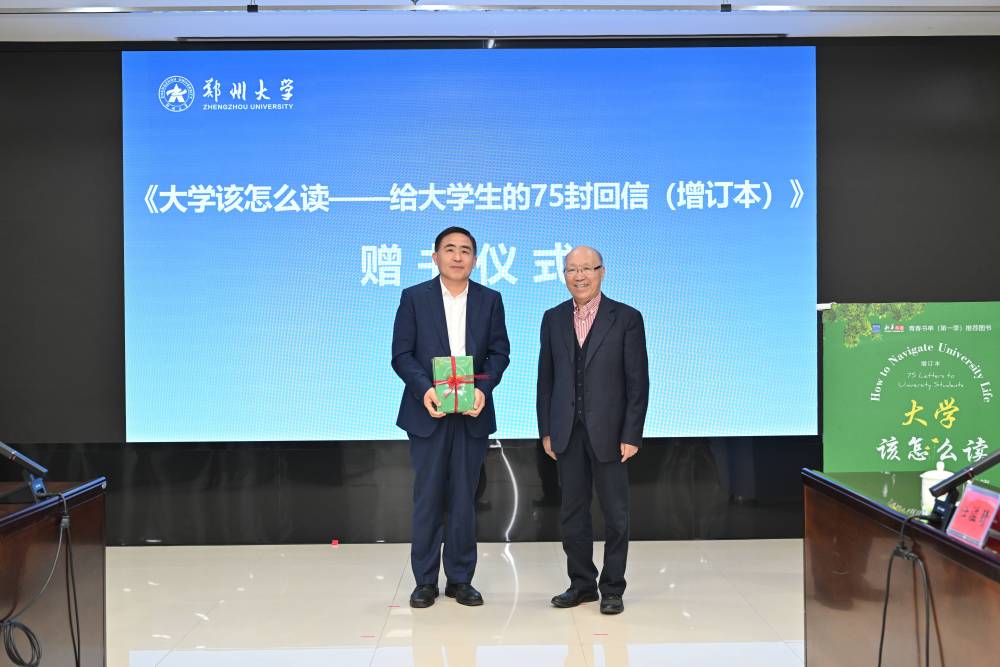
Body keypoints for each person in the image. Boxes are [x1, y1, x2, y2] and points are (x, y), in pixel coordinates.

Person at [391, 226, 510, 608]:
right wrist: (425, 389)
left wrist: (483, 389)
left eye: (465, 250)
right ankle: (425, 581)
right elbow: (401, 355)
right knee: (428, 497)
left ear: (475, 259)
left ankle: (460, 580)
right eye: (450, 249)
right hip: (428, 411)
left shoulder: (490, 300)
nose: (458, 256)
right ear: (435, 256)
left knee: (463, 498)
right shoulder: (414, 298)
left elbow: (499, 354)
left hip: (472, 412)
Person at [536, 245, 649, 615]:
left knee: (616, 515)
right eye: (572, 269)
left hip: (612, 434)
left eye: (587, 268)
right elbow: (546, 380)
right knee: (573, 513)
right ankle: (581, 584)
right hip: (567, 432)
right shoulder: (553, 318)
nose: (579, 276)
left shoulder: (627, 318)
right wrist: (547, 430)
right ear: (564, 275)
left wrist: (632, 433)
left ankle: (613, 588)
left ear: (602, 272)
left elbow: (637, 382)